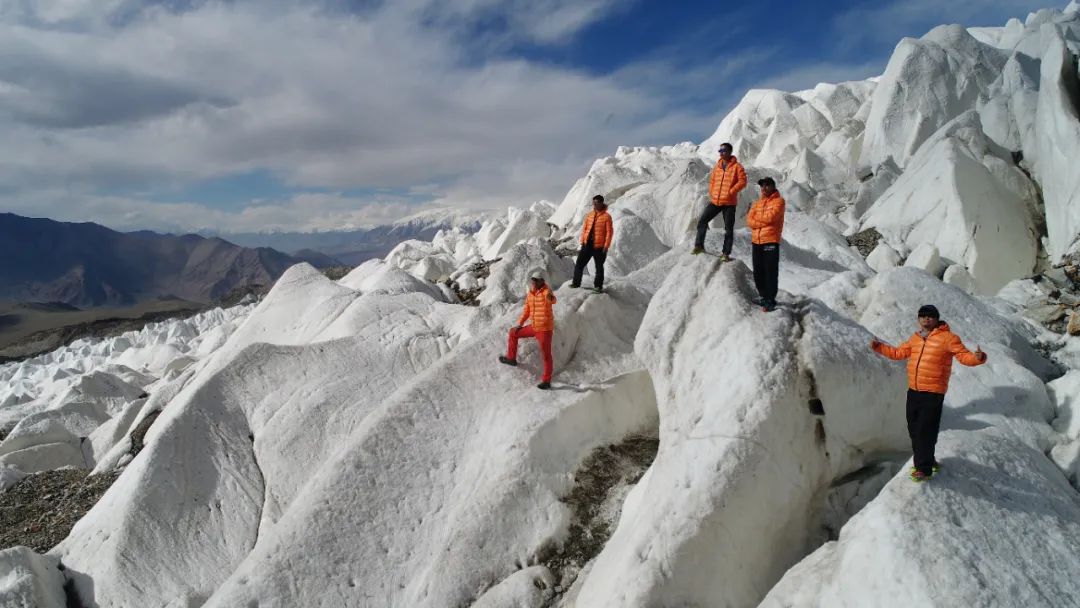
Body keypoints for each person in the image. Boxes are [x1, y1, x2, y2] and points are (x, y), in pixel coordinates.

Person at [870, 305, 987, 482]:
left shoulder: (948, 338)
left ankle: (923, 469)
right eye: (923, 316)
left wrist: (978, 358)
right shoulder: (915, 339)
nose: (926, 319)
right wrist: (879, 347)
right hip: (914, 391)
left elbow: (964, 356)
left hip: (933, 392)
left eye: (930, 316)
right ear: (918, 319)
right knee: (914, 429)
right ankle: (929, 460)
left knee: (925, 429)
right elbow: (899, 353)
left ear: (937, 319)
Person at [499, 271, 557, 389]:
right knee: (513, 333)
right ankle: (511, 358)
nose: (533, 282)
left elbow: (552, 300)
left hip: (544, 330)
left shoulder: (546, 291)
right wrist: (519, 324)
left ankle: (546, 381)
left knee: (546, 356)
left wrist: (551, 297)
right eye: (533, 280)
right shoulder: (531, 294)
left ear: (542, 281)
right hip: (534, 327)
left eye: (536, 280)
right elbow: (527, 310)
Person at [693, 142, 747, 259]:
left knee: (728, 229)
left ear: (729, 152)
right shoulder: (717, 166)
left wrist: (731, 191)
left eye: (723, 150)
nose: (721, 153)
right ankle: (699, 246)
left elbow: (743, 181)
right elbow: (712, 181)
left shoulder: (737, 167)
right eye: (720, 150)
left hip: (729, 203)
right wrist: (712, 193)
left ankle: (725, 254)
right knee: (702, 221)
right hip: (715, 201)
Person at [746, 177, 785, 312]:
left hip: (771, 241)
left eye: (767, 185)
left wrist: (757, 220)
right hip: (756, 241)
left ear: (773, 186)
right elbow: (749, 221)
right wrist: (761, 222)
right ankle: (763, 296)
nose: (764, 187)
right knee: (758, 271)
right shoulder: (757, 203)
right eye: (762, 185)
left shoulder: (779, 201)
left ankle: (770, 300)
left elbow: (771, 218)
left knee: (770, 271)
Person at [571, 195, 614, 293]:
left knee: (599, 267)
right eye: (593, 202)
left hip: (600, 247)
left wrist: (606, 246)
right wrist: (582, 241)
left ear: (602, 203)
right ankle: (576, 283)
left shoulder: (607, 217)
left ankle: (598, 286)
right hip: (587, 245)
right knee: (579, 264)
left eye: (596, 203)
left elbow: (609, 232)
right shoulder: (589, 215)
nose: (594, 204)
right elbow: (584, 229)